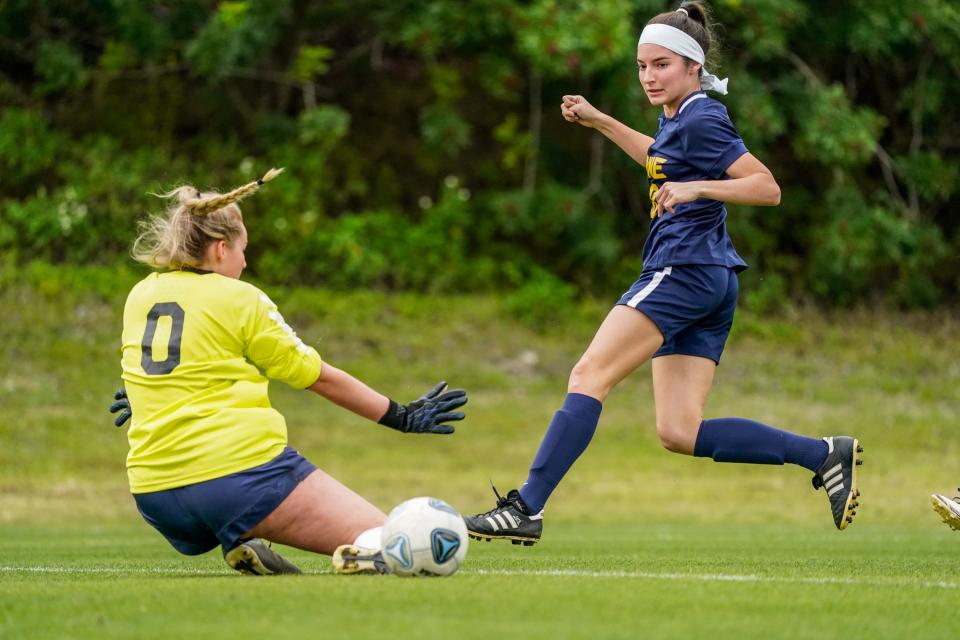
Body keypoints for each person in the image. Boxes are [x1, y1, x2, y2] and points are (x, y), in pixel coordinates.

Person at [464, 1, 862, 545]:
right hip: (711, 279)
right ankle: (821, 454)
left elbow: (766, 187)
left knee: (588, 376)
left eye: (662, 66)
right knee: (679, 431)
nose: (650, 76)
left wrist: (699, 187)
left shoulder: (701, 115)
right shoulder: (679, 118)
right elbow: (661, 160)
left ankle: (526, 507)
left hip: (684, 269)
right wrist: (601, 120)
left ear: (693, 67)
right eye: (643, 66)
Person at [109, 168, 468, 575]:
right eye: (245, 249)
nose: (246, 261)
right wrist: (401, 416)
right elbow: (319, 377)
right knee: (396, 542)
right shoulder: (241, 299)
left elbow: (156, 367)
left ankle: (241, 541)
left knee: (227, 508)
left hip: (154, 494)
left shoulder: (142, 294)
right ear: (221, 248)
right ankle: (362, 556)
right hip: (236, 479)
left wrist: (141, 396)